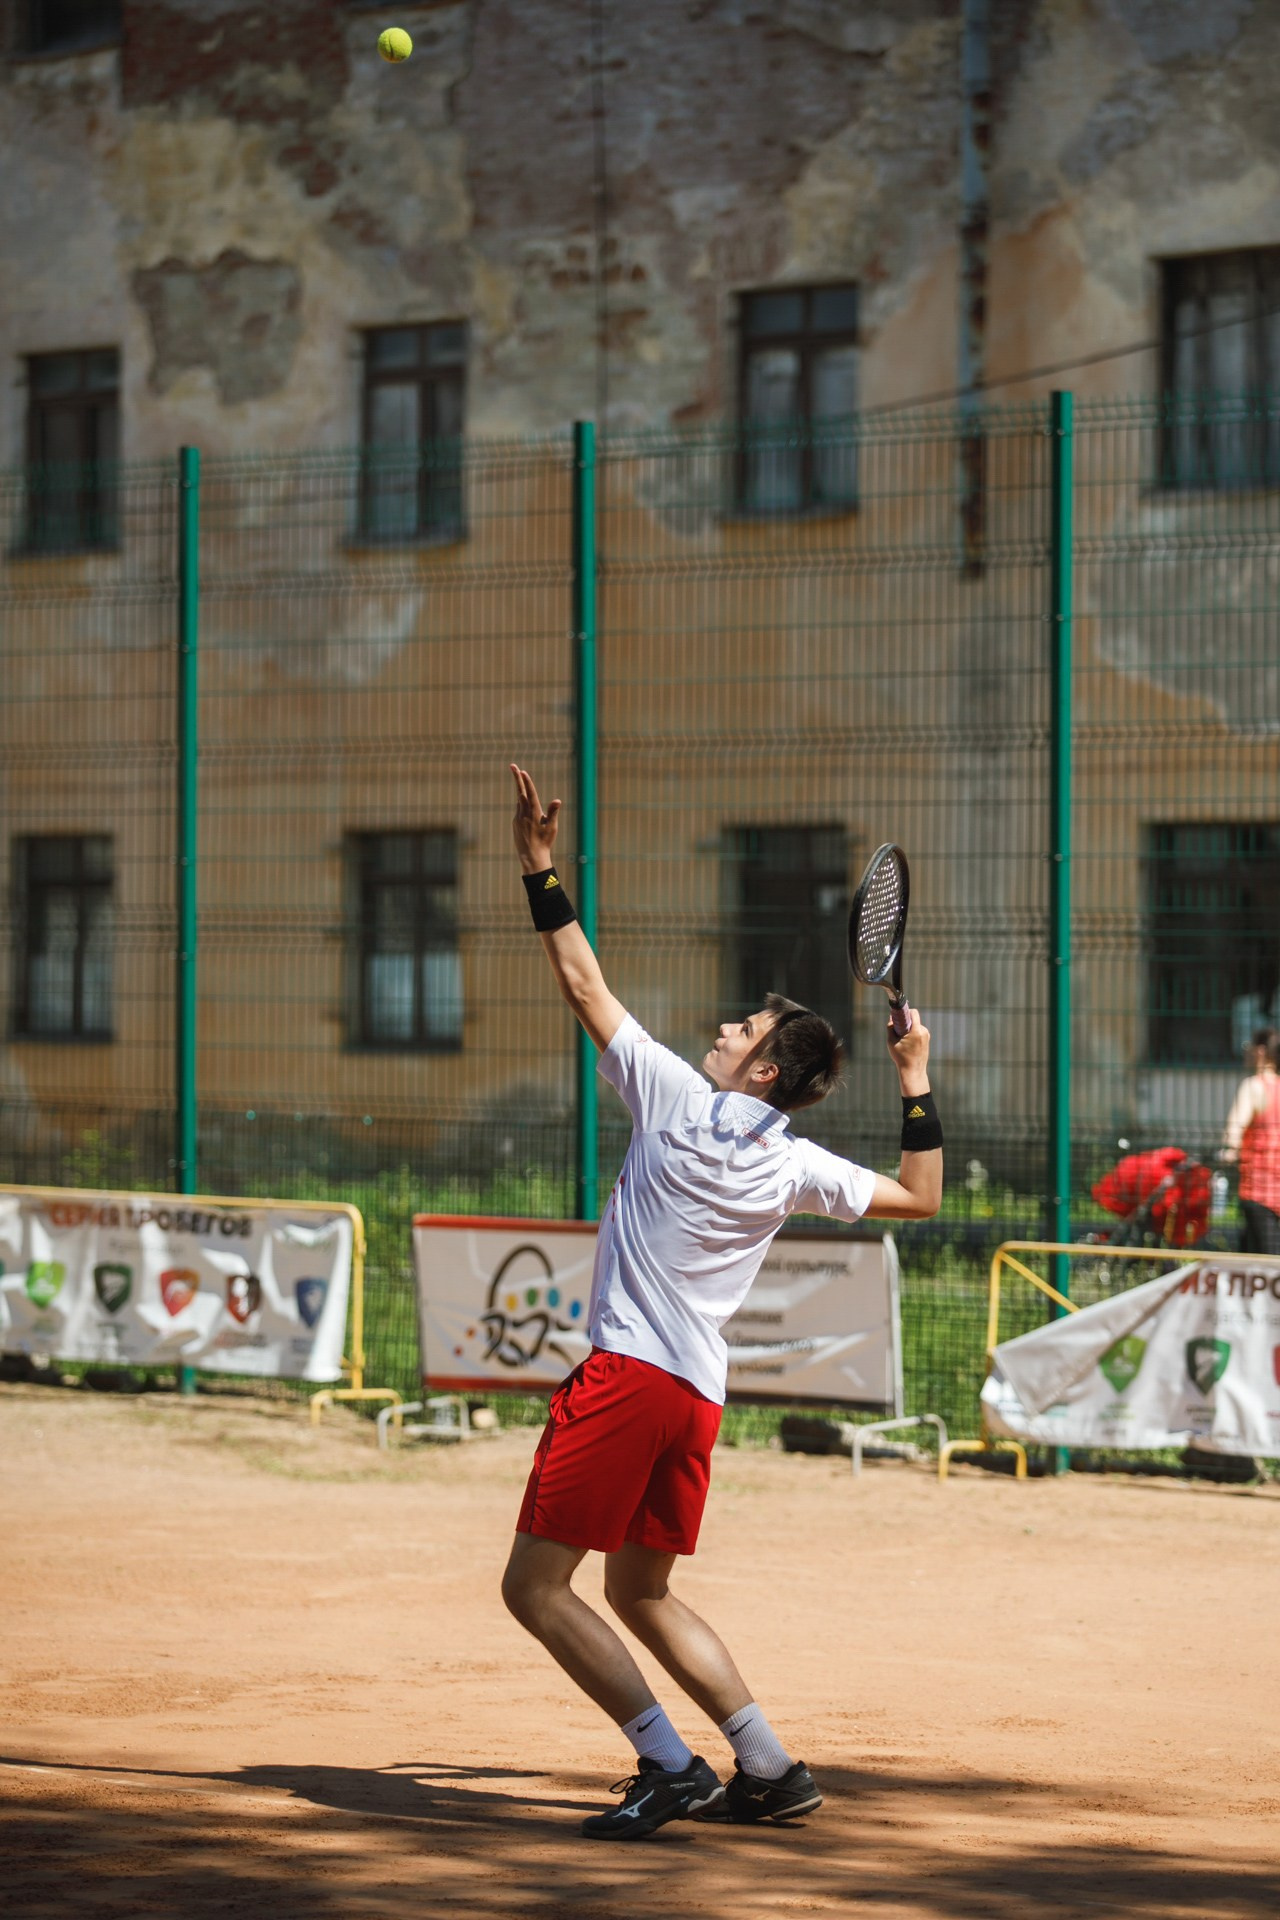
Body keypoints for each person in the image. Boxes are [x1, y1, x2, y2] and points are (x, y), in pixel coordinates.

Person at [500, 765, 943, 1841]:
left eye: (742, 1027)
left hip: (624, 1379)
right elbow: (921, 1197)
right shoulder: (796, 1161)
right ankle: (769, 1765)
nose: (724, 1027)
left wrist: (538, 865)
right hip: (695, 1396)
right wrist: (915, 1074)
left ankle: (666, 1763)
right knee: (640, 1593)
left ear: (756, 1072)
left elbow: (580, 981)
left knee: (536, 1589)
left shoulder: (677, 1101)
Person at [1220, 1027, 1280, 1255]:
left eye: (1249, 1048)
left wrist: (1228, 1151)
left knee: (1267, 1261)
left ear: (1261, 1051)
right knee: (1250, 1255)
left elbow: (1235, 1127)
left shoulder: (1254, 1086)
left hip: (1259, 1188)